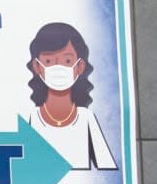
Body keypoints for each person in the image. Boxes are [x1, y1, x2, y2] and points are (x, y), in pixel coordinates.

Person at [24, 23, 115, 170]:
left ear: (80, 66)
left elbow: (108, 169)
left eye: (67, 61)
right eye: (48, 61)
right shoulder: (32, 119)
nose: (58, 68)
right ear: (37, 66)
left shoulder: (87, 118)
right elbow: (25, 169)